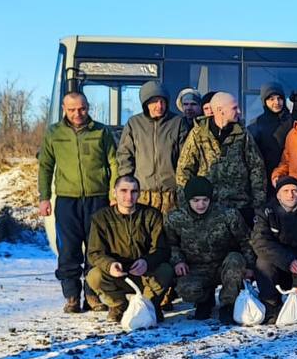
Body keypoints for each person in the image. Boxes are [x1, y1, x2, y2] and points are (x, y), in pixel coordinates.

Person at [38, 91, 118, 313]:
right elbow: (45, 166)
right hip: (67, 200)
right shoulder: (54, 133)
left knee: (96, 249)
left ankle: (93, 295)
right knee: (68, 250)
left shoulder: (101, 131)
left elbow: (114, 163)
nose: (77, 113)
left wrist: (113, 193)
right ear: (64, 108)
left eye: (81, 108)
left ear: (88, 107)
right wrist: (44, 197)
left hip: (98, 199)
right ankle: (72, 296)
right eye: (72, 109)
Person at [85, 176, 174, 323]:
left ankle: (149, 304)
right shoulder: (101, 218)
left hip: (145, 274)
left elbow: (162, 249)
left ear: (139, 193)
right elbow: (94, 253)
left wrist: (147, 262)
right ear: (114, 192)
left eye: (133, 191)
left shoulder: (152, 215)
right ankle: (119, 305)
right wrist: (110, 265)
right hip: (118, 275)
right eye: (123, 191)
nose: (129, 196)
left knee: (166, 270)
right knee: (94, 276)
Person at [165, 176, 253, 322]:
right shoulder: (175, 218)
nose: (201, 205)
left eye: (205, 200)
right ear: (188, 200)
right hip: (195, 267)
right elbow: (171, 244)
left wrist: (250, 266)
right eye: (196, 201)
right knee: (186, 289)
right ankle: (204, 299)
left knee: (235, 260)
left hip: (223, 265)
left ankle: (228, 304)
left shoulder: (228, 214)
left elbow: (245, 241)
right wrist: (178, 261)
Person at [175, 92, 267, 224]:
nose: (239, 111)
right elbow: (184, 170)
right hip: (206, 207)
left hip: (239, 208)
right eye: (234, 108)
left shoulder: (243, 134)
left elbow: (257, 169)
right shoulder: (198, 134)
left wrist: (257, 206)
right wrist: (187, 205)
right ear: (220, 110)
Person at [251, 176, 297, 319]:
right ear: (278, 195)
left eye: (294, 190)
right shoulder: (266, 213)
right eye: (286, 191)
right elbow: (260, 242)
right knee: (262, 263)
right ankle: (270, 305)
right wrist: (288, 260)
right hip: (278, 265)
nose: (290, 195)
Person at [117, 80, 190, 214]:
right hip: (142, 194)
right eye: (154, 101)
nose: (159, 106)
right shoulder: (134, 124)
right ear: (145, 103)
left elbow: (186, 159)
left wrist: (182, 187)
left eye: (162, 101)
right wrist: (126, 186)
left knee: (169, 233)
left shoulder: (178, 123)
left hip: (171, 195)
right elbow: (125, 156)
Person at [248, 82, 292, 190]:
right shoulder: (256, 123)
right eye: (271, 99)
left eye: (279, 98)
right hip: (264, 179)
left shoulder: (293, 121)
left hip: (290, 177)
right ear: (264, 101)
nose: (276, 102)